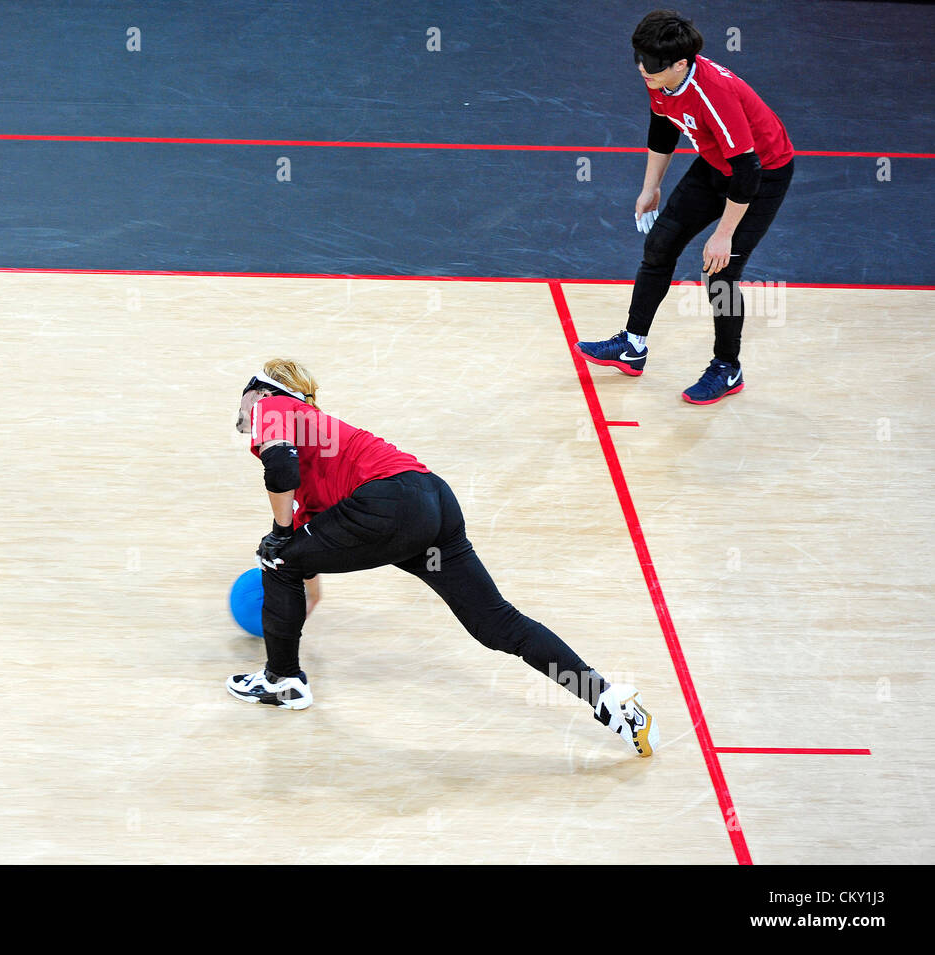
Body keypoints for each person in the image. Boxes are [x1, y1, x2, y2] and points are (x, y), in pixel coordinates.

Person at [227, 359, 660, 758]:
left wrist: (281, 541)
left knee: (280, 557)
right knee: (497, 624)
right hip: (430, 502)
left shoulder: (276, 407)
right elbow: (309, 556)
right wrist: (293, 581)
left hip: (388, 503)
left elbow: (279, 470)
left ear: (264, 392)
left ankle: (283, 681)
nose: (244, 411)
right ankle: (606, 696)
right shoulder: (323, 452)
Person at [577, 9, 794, 405]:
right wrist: (651, 187)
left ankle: (728, 367)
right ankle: (632, 345)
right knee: (659, 245)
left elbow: (748, 171)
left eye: (653, 67)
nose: (644, 71)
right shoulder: (659, 75)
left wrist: (723, 234)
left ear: (682, 64)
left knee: (721, 273)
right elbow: (662, 126)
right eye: (639, 60)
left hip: (761, 175)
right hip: (715, 163)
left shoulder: (714, 94)